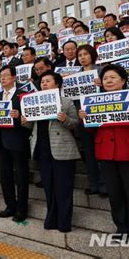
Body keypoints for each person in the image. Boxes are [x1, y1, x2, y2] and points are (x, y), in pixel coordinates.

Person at [79, 64, 129, 239]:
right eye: (106, 78)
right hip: (106, 153)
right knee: (115, 194)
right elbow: (92, 131)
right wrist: (85, 120)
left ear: (123, 80)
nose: (109, 80)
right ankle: (121, 228)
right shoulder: (93, 101)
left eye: (113, 77)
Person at [22, 71, 80, 232]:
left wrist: (65, 119)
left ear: (57, 84)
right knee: (48, 186)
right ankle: (51, 217)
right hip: (42, 149)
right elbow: (30, 126)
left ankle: (64, 221)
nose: (44, 84)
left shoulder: (66, 101)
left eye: (48, 81)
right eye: (42, 82)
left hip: (62, 149)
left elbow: (75, 124)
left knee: (64, 187)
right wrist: (25, 121)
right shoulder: (34, 102)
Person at [0, 65, 31, 222]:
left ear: (14, 77)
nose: (2, 78)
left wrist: (20, 115)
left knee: (21, 176)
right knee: (5, 176)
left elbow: (30, 117)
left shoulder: (23, 95)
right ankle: (10, 206)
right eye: (1, 76)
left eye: (6, 75)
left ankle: (22, 209)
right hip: (1, 141)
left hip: (18, 140)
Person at [76, 45, 106, 196]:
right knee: (88, 152)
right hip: (82, 117)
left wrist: (102, 85)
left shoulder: (101, 71)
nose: (82, 57)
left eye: (85, 54)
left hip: (99, 115)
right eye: (79, 55)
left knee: (101, 151)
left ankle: (104, 185)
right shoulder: (75, 75)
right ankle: (93, 184)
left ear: (92, 55)